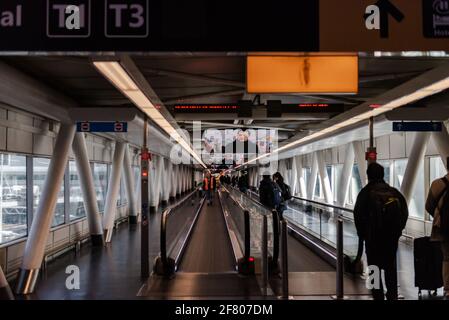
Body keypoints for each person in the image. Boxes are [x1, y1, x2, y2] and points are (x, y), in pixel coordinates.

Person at [353, 162, 408, 300]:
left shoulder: (365, 193)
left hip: (373, 241)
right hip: (390, 241)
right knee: (390, 270)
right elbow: (404, 213)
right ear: (383, 175)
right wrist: (397, 232)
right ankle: (392, 295)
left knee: (374, 270)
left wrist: (363, 234)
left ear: (368, 176)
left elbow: (358, 215)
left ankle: (377, 296)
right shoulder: (394, 192)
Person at [426, 157, 449, 299]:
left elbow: (429, 206)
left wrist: (441, 215)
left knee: (447, 257)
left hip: (443, 229)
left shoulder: (437, 184)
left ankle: (448, 288)